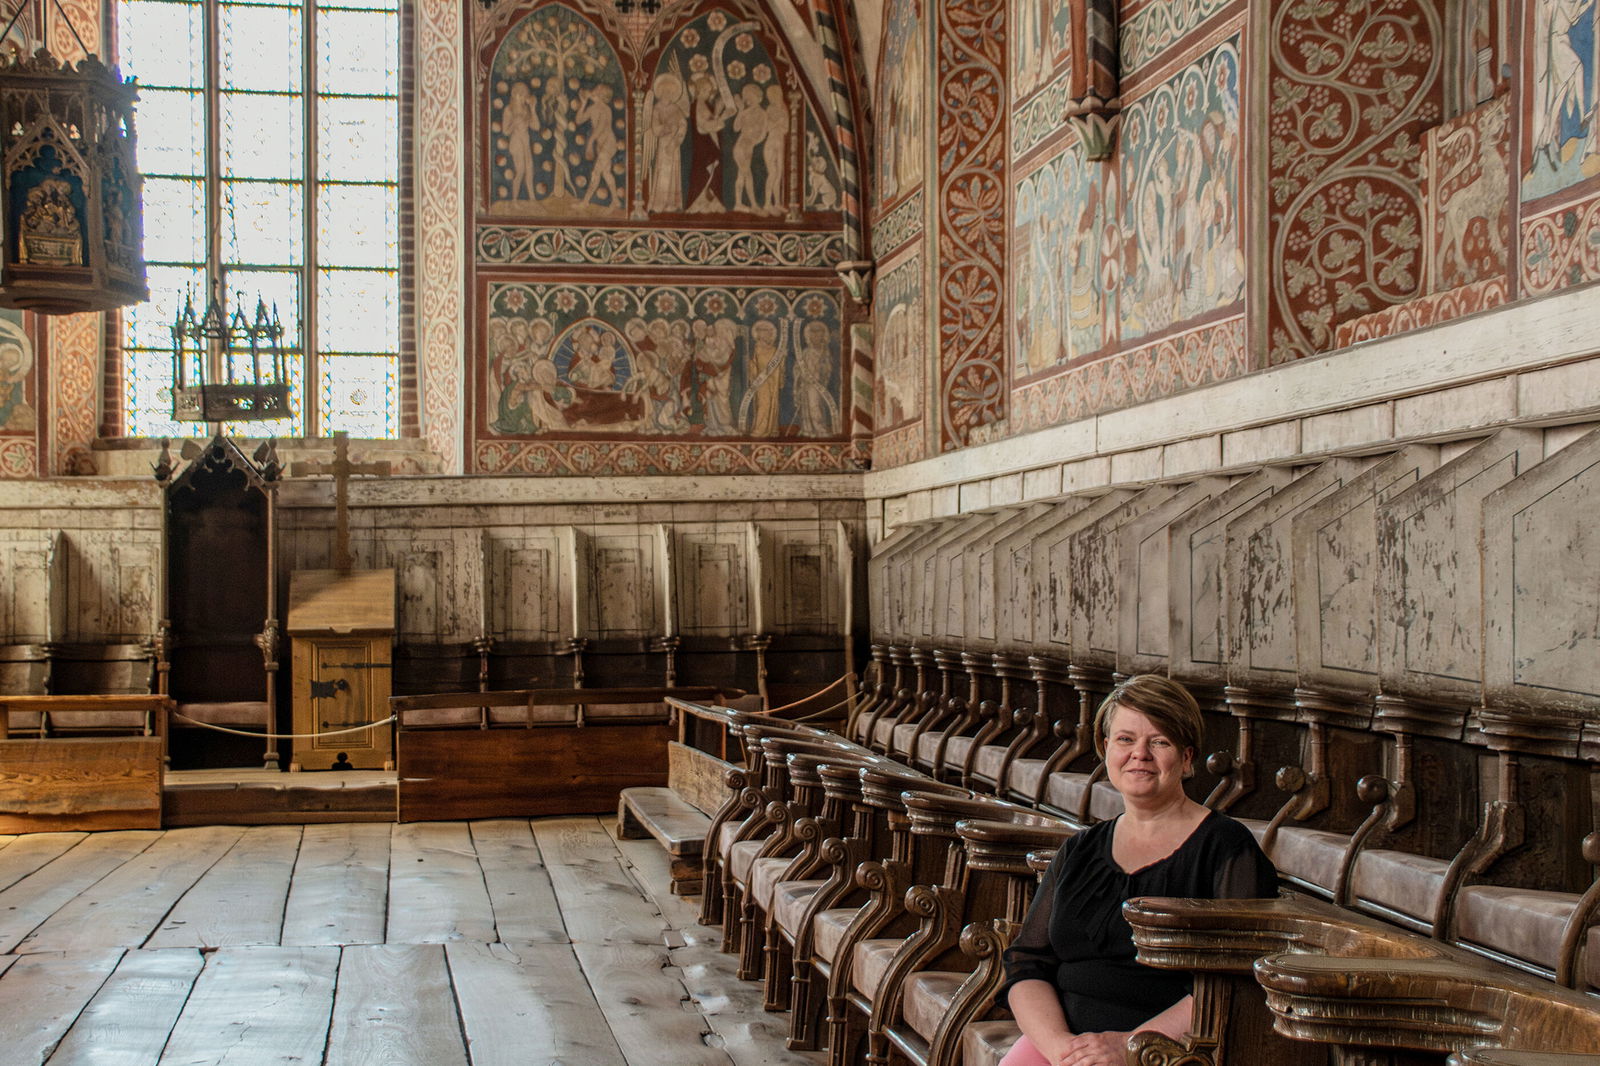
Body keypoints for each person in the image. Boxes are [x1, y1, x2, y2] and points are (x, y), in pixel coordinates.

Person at [999, 674, 1276, 1066]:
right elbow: (1028, 962)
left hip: (1170, 1050)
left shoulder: (1227, 848)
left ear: (1187, 757)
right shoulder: (1080, 849)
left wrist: (1131, 1045)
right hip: (1065, 1044)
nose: (1139, 754)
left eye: (1159, 741)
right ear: (1106, 748)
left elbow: (1234, 982)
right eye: (1125, 739)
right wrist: (1062, 1048)